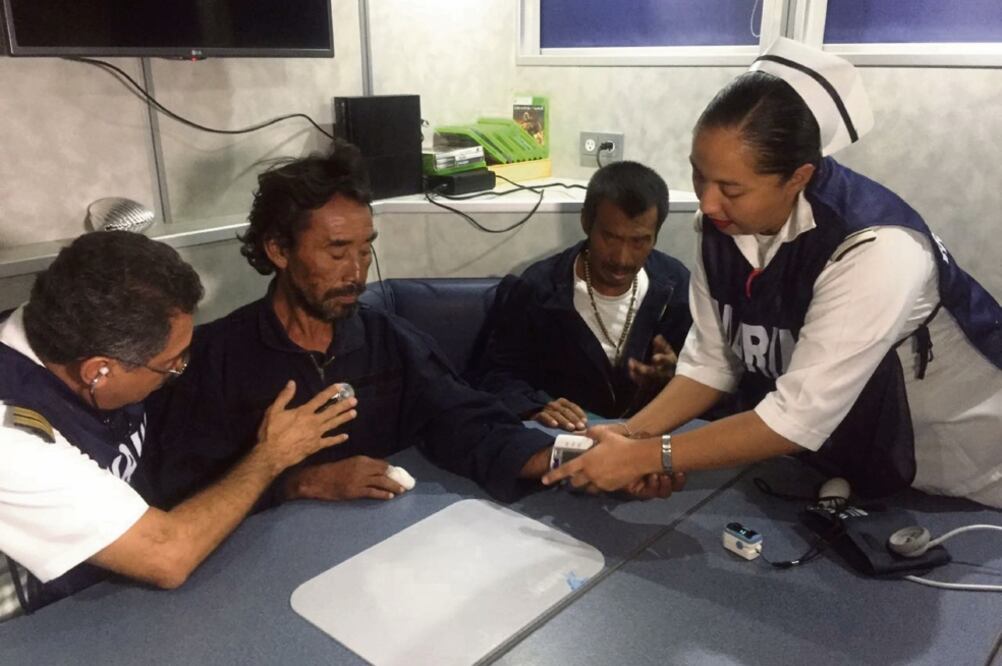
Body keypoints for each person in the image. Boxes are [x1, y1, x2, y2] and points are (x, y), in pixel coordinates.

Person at [543, 38, 1002, 508]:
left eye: (731, 188)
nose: (707, 202)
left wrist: (646, 457)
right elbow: (712, 362)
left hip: (967, 463)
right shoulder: (719, 227)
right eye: (699, 174)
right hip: (854, 456)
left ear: (798, 178)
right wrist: (629, 435)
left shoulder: (876, 248)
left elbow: (794, 419)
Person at [146, 142, 556, 508]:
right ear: (278, 250)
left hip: (378, 553)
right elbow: (180, 490)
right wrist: (298, 483)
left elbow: (468, 422)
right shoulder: (214, 359)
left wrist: (564, 457)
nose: (357, 274)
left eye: (365, 250)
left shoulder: (390, 340)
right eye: (337, 251)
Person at [0, 232, 356, 622]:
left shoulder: (59, 328)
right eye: (170, 364)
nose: (178, 370)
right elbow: (167, 557)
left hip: (113, 593)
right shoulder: (13, 440)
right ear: (98, 371)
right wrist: (272, 456)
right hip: (37, 630)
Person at [476, 161, 692, 431]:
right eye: (610, 237)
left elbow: (714, 378)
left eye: (639, 241)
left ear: (656, 236)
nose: (622, 258)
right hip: (565, 439)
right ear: (586, 222)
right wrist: (535, 406)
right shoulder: (539, 287)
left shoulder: (676, 285)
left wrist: (679, 377)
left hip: (649, 441)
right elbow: (496, 376)